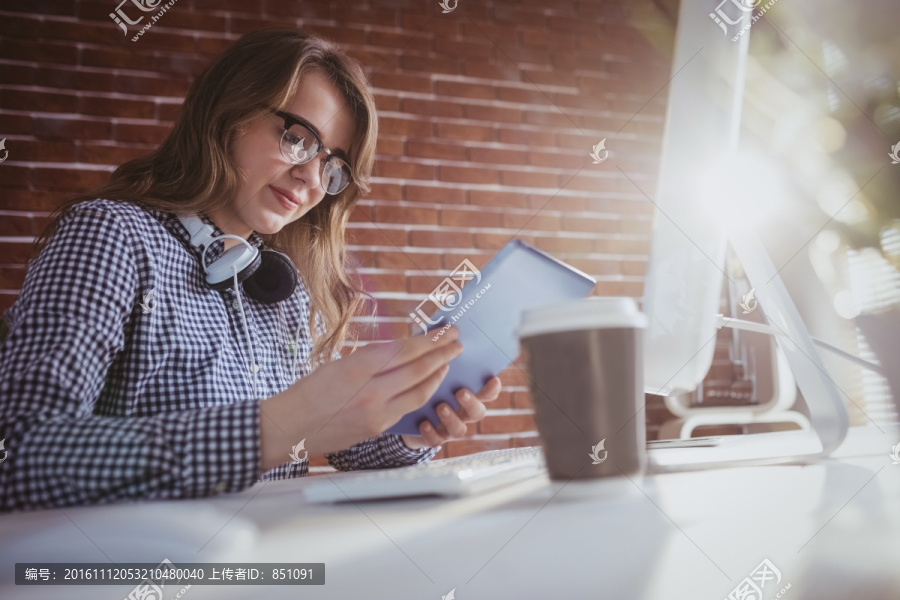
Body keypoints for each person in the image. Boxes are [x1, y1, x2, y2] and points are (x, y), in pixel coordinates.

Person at [0, 28, 501, 512]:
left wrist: (413, 423)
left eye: (332, 166)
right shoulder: (112, 235)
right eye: (298, 138)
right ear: (230, 114)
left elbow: (335, 438)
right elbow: (20, 453)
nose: (310, 177)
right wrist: (271, 429)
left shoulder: (283, 288)